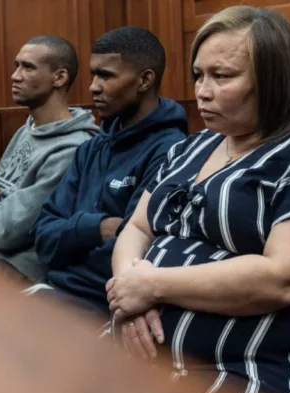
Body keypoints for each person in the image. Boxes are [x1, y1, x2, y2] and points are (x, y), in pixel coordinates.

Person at [106, 6, 290, 393]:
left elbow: (283, 278)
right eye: (198, 75)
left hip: (264, 374)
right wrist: (129, 288)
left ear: (274, 80)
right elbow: (136, 228)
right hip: (159, 360)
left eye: (222, 77)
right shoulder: (190, 149)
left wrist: (152, 286)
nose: (202, 92)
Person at [32, 26, 189, 315]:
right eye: (93, 74)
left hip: (103, 308)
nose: (93, 86)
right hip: (52, 291)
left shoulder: (172, 152)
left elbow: (132, 253)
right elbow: (43, 238)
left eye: (106, 75)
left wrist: (71, 239)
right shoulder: (91, 148)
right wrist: (96, 228)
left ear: (144, 80)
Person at [0, 36, 99, 283]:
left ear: (59, 78)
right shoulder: (28, 129)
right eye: (17, 65)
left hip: (17, 274)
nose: (15, 76)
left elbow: (7, 230)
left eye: (28, 67)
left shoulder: (72, 148)